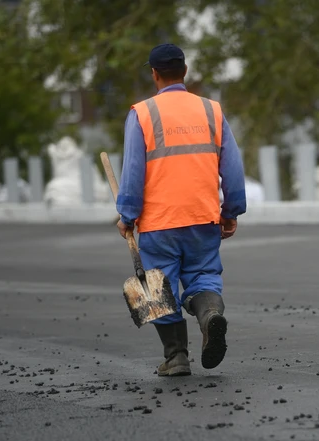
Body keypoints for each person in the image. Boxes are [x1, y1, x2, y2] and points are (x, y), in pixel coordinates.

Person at [116, 44, 246, 376]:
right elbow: (232, 167)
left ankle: (176, 357)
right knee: (203, 276)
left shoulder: (142, 113)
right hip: (203, 217)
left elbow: (133, 171)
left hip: (159, 222)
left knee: (158, 287)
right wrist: (230, 211)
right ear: (185, 72)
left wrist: (127, 215)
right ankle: (209, 317)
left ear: (154, 74)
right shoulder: (211, 111)